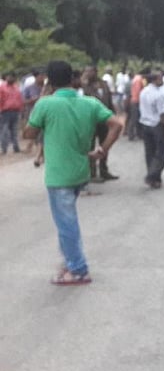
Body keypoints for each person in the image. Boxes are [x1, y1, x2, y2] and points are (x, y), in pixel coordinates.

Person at [23, 60, 123, 285]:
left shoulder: (46, 105)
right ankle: (70, 261)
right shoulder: (89, 102)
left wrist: (41, 99)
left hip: (59, 175)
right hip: (80, 171)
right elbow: (116, 124)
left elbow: (28, 134)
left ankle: (78, 268)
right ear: (72, 79)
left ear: (49, 80)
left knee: (66, 223)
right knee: (67, 221)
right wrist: (102, 150)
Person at [82, 66, 119, 182]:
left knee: (105, 144)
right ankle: (92, 173)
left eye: (90, 71)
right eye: (86, 71)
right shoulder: (83, 87)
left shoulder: (104, 84)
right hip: (91, 120)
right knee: (90, 145)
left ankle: (104, 170)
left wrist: (113, 112)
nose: (88, 73)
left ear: (96, 72)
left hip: (105, 119)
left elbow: (109, 99)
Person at [139, 72, 164, 189]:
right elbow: (163, 115)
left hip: (145, 123)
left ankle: (154, 178)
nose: (162, 81)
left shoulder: (143, 92)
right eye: (161, 78)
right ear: (155, 80)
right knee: (162, 152)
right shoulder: (158, 95)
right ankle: (152, 175)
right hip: (156, 125)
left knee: (150, 151)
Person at [21, 70, 45, 153]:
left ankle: (38, 149)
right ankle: (30, 146)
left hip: (44, 111)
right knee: (33, 128)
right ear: (36, 77)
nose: (42, 78)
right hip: (32, 111)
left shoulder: (47, 87)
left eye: (43, 76)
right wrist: (33, 100)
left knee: (42, 130)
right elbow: (23, 101)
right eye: (40, 76)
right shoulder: (29, 88)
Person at [0, 72, 24, 154]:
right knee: (4, 130)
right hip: (5, 112)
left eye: (12, 77)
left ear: (14, 78)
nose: (10, 78)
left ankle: (16, 147)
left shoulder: (16, 88)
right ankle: (4, 148)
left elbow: (20, 99)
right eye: (9, 77)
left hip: (15, 111)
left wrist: (21, 109)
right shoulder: (2, 88)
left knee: (14, 130)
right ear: (6, 77)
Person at [126, 69, 147, 140]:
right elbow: (138, 91)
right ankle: (131, 134)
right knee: (134, 118)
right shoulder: (139, 79)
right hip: (137, 101)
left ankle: (138, 134)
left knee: (136, 118)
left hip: (134, 100)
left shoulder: (136, 78)